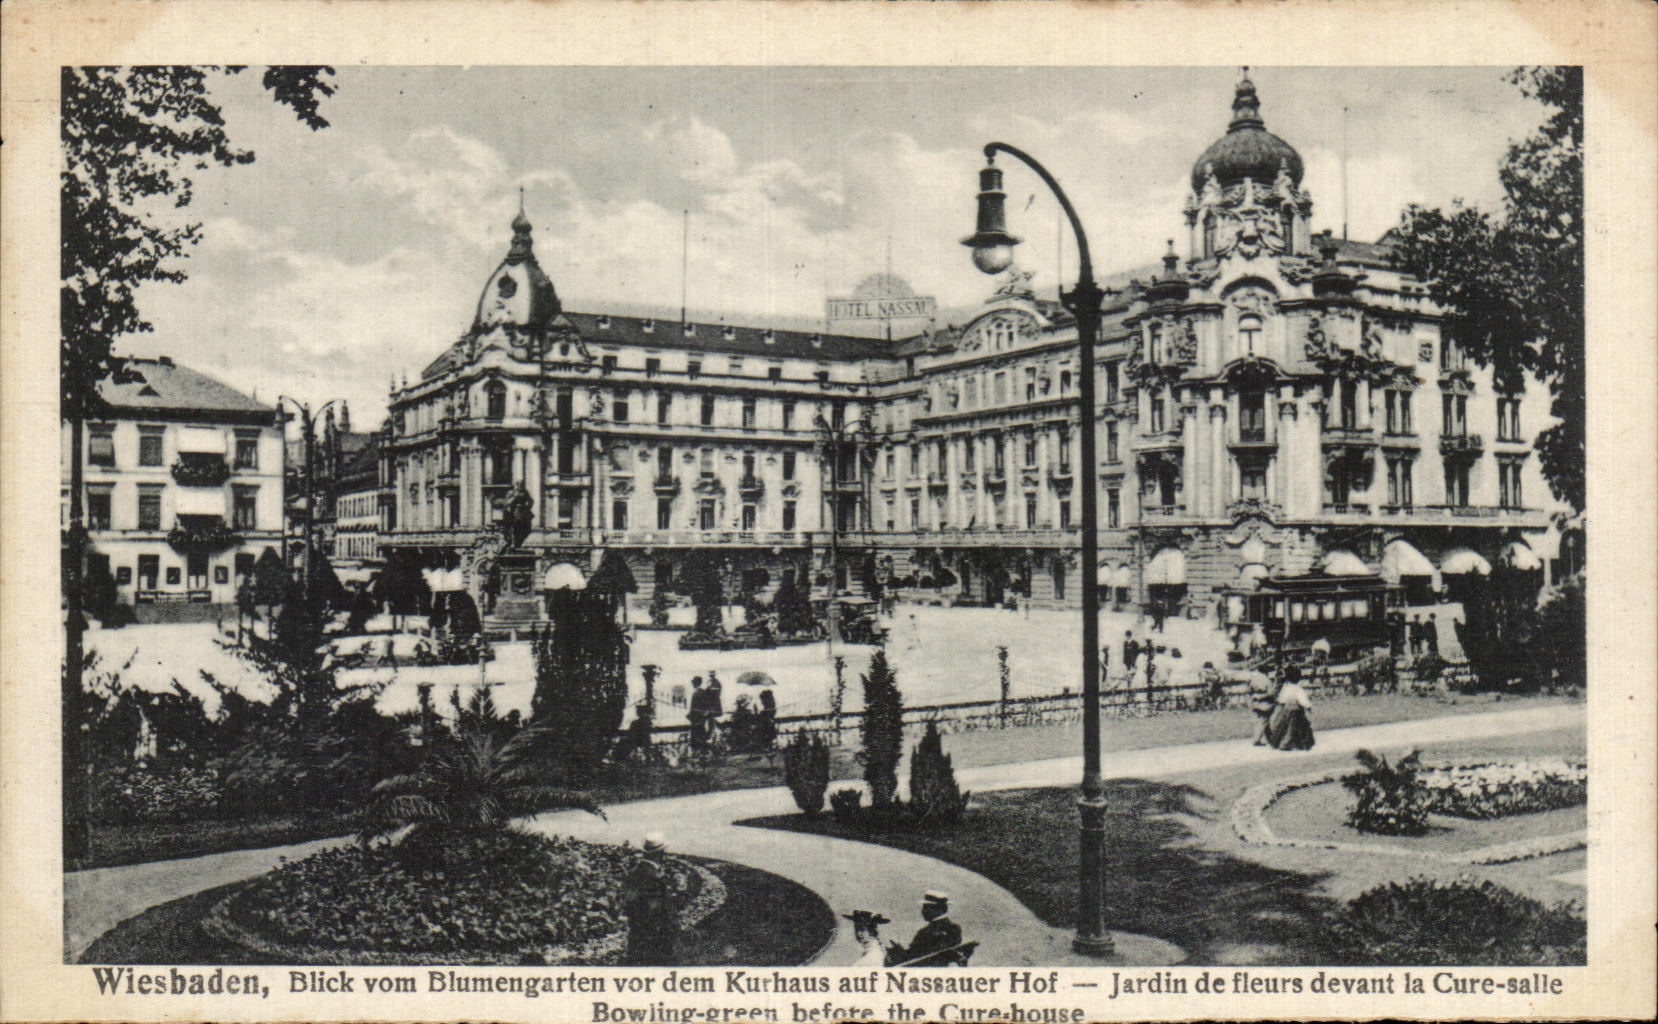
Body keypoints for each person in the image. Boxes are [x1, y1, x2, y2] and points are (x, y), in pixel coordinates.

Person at [622, 834, 681, 965]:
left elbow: (629, 903)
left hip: (636, 937)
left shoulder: (634, 873)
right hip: (654, 941)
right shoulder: (653, 879)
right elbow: (654, 912)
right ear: (660, 853)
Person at [888, 892, 968, 966]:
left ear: (937, 909)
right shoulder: (954, 928)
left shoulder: (926, 932)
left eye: (926, 908)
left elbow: (918, 956)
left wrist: (898, 950)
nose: (923, 912)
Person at [1266, 665, 1316, 751]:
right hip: (1296, 711)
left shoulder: (1286, 688)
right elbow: (1303, 701)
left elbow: (1281, 700)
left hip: (1285, 710)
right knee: (1295, 728)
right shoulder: (1298, 689)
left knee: (1283, 727)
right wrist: (1309, 707)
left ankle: (1279, 742)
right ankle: (1288, 744)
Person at [1248, 668, 1278, 745]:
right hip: (1265, 703)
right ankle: (1256, 739)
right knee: (1264, 721)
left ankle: (1270, 739)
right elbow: (1271, 693)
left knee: (1263, 722)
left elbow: (1250, 690)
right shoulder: (1267, 680)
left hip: (1255, 702)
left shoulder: (1254, 679)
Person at [687, 676, 711, 752]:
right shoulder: (703, 692)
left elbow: (693, 707)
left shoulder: (696, 693)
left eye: (693, 682)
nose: (692, 684)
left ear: (696, 683)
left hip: (696, 718)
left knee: (695, 735)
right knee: (701, 733)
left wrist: (690, 715)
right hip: (702, 718)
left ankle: (697, 751)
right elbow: (707, 705)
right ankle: (702, 751)